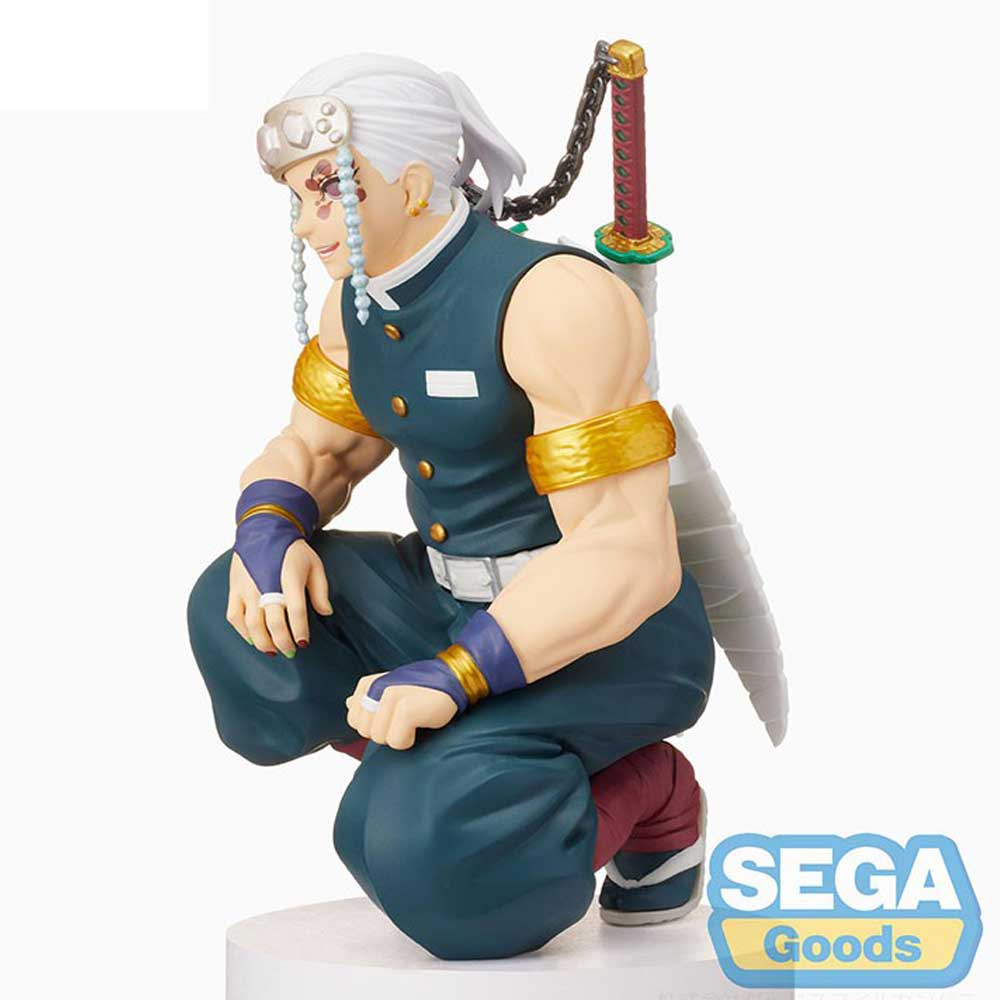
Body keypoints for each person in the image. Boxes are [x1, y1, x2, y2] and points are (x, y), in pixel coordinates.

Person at [188, 53, 714, 960]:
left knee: (420, 856)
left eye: (330, 192)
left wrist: (459, 674)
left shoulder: (554, 302)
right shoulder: (356, 307)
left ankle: (645, 790)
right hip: (442, 594)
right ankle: (455, 775)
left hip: (604, 636)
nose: (309, 224)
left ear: (412, 182)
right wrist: (269, 527)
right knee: (239, 624)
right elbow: (319, 448)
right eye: (299, 199)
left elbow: (625, 549)